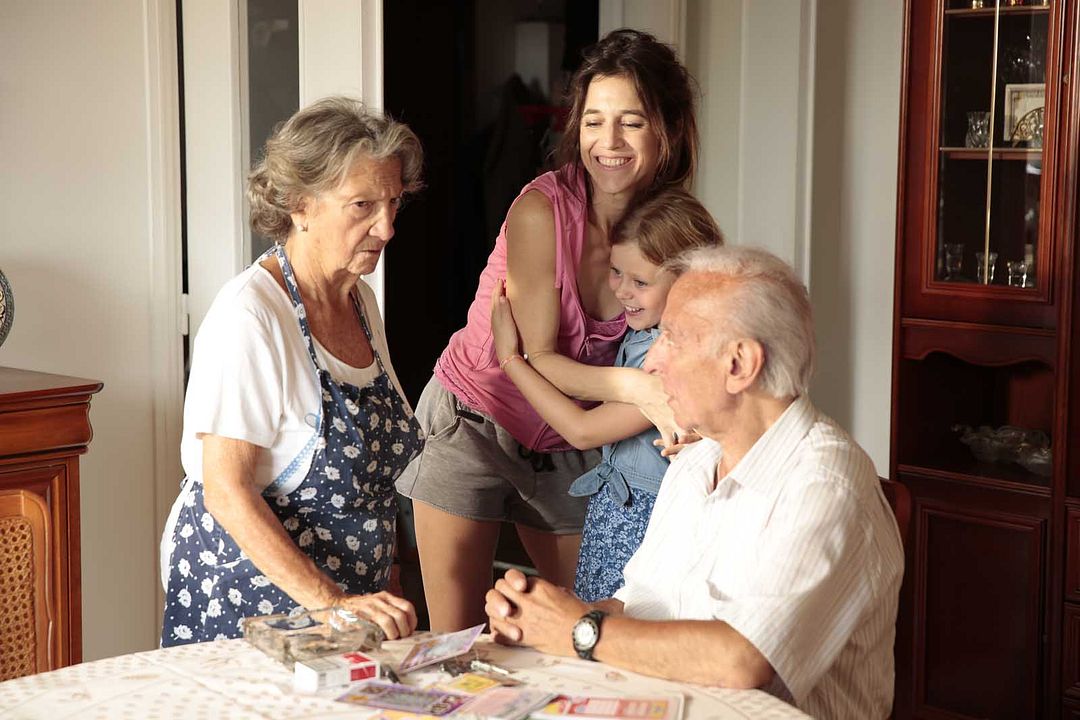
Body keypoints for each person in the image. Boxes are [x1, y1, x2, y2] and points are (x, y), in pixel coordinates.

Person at [485, 246, 905, 720]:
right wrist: (543, 619)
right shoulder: (696, 461)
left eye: (673, 338)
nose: (651, 362)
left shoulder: (825, 483)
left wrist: (578, 630)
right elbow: (639, 608)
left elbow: (742, 659)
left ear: (739, 365)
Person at [395, 28, 700, 632]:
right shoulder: (541, 209)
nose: (607, 142)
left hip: (570, 439)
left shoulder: (667, 229)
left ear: (666, 129)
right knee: (458, 641)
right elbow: (535, 356)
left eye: (631, 122)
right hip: (473, 422)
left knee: (582, 629)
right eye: (593, 121)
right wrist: (639, 390)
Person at [160, 97, 424, 646]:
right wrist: (332, 603)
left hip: (348, 604)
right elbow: (226, 490)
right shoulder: (250, 316)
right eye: (362, 206)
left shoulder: (360, 302)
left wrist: (385, 577)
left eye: (394, 203)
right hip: (251, 603)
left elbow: (371, 487)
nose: (387, 228)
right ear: (300, 205)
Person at [489, 189, 722, 601]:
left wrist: (511, 359)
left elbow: (581, 430)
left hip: (646, 524)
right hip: (616, 515)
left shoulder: (672, 360)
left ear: (689, 282)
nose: (622, 291)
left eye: (640, 281)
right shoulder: (642, 336)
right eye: (616, 272)